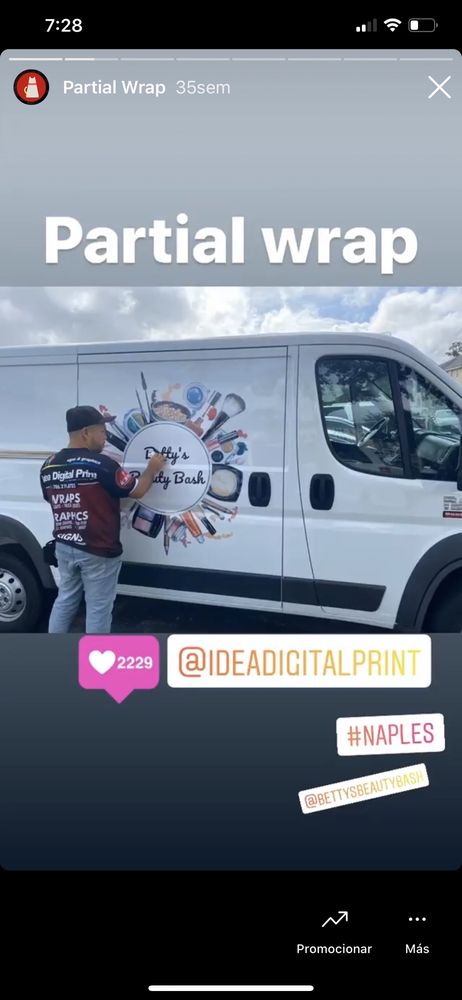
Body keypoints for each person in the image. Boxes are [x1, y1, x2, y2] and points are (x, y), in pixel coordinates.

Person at [40, 405, 166, 633]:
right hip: (98, 549)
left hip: (65, 546)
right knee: (98, 608)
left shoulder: (49, 465)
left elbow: (52, 499)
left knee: (65, 599)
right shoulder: (103, 465)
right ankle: (96, 656)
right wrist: (152, 469)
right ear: (85, 432)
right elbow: (137, 490)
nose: (105, 437)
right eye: (101, 431)